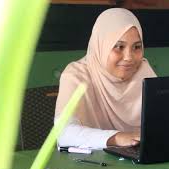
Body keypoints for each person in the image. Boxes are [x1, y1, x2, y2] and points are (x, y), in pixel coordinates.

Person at [54, 8, 157, 149]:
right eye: (119, 46)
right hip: (89, 166)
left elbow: (166, 120)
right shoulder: (76, 75)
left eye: (137, 47)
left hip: (139, 163)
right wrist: (116, 137)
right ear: (101, 45)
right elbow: (63, 133)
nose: (129, 57)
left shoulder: (143, 71)